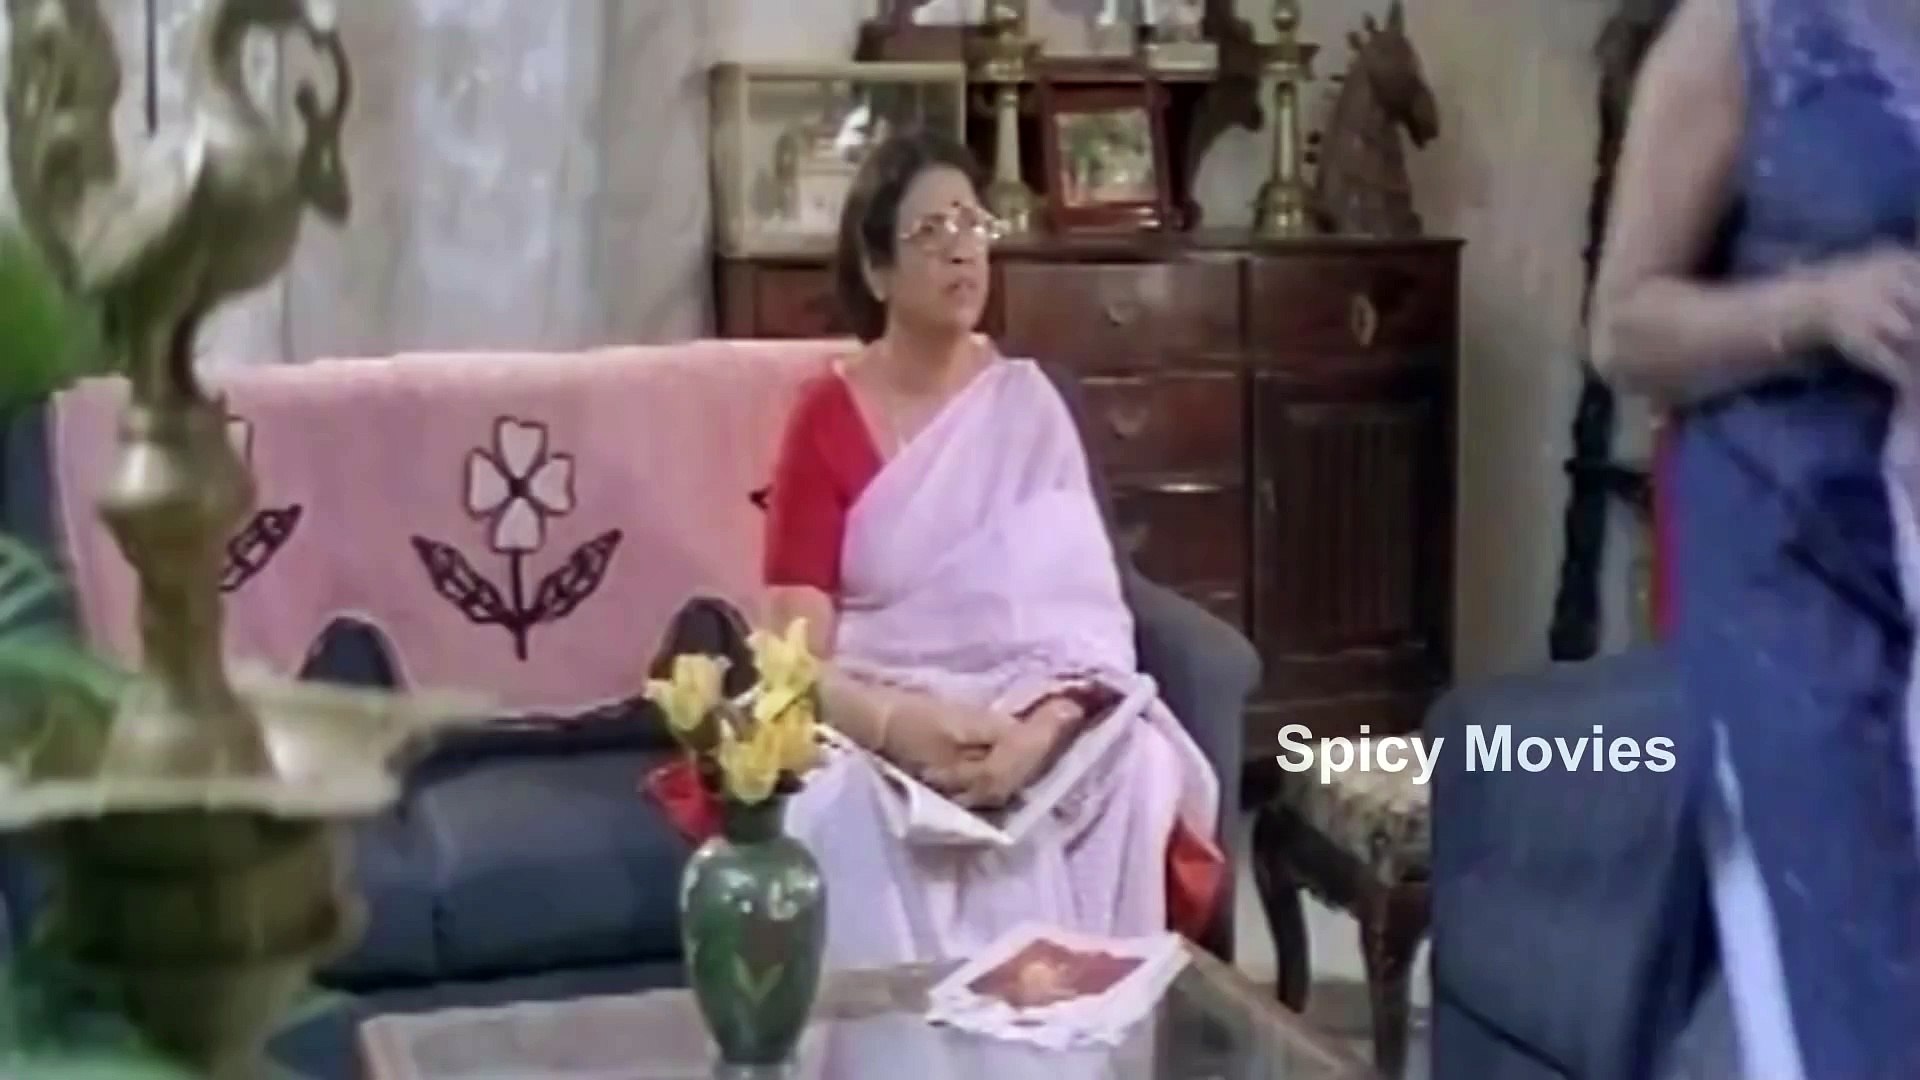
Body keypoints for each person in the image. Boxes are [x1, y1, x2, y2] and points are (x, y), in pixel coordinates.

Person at [659, 129, 1224, 971]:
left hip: (1033, 720)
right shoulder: (826, 421)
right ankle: (901, 1036)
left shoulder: (1027, 408)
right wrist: (898, 726)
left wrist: (1038, 735)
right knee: (833, 805)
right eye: (931, 231)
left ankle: (1081, 1029)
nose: (962, 249)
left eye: (972, 224)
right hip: (884, 719)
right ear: (877, 271)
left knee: (1143, 771)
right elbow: (791, 658)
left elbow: (1083, 625)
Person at [1590, 0, 1920, 1075]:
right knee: (1852, 1000)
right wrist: (1819, 306)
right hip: (1788, 566)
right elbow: (1620, 331)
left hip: (1911, 531)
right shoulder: (1742, 31)